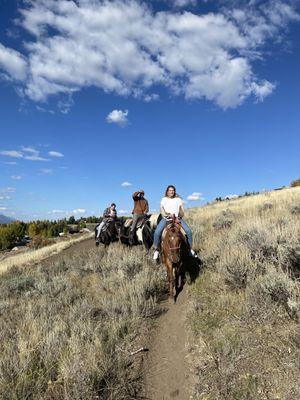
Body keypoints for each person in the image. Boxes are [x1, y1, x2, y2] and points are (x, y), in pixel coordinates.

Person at [153, 185, 197, 260]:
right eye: (170, 190)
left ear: (174, 191)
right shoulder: (164, 199)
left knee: (188, 231)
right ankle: (156, 250)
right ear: (167, 191)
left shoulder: (178, 199)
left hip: (177, 219)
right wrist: (167, 215)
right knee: (157, 232)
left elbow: (182, 210)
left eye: (173, 190)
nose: (171, 192)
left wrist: (179, 217)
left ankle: (190, 249)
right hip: (166, 219)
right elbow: (162, 210)